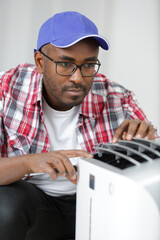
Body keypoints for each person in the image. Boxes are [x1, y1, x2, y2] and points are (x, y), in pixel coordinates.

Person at [0, 11, 157, 240]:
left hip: (98, 204)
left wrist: (145, 139)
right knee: (4, 206)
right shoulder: (6, 89)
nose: (78, 78)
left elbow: (150, 162)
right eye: (65, 64)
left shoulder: (117, 97)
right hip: (35, 207)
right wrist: (30, 162)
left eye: (88, 65)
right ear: (40, 62)